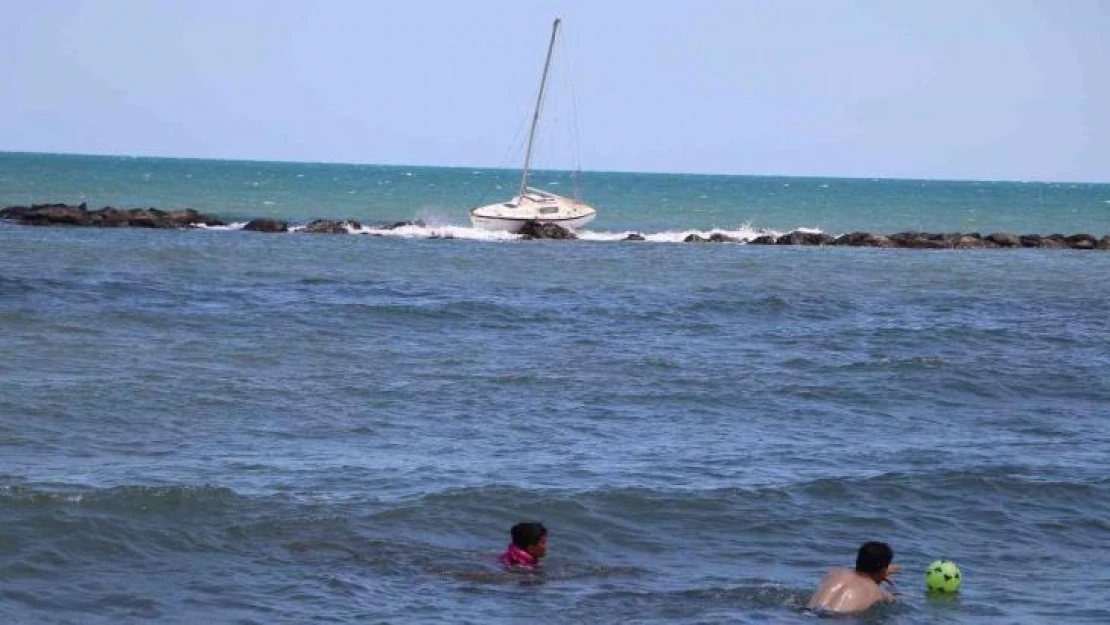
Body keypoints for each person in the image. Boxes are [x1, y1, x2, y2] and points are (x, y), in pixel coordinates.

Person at [806, 541, 900, 613]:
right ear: (883, 571)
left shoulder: (834, 572)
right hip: (837, 619)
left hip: (807, 613)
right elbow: (894, 599)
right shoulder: (878, 592)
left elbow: (856, 575)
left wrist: (880, 573)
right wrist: (893, 589)